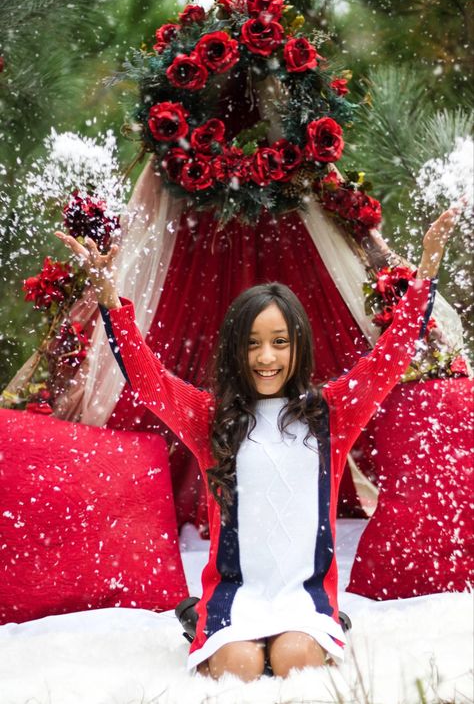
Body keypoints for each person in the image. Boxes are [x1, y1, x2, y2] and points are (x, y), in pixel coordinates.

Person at [55, 205, 459, 681]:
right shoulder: (210, 417)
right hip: (236, 594)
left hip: (303, 593)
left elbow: (390, 358)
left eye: (279, 342)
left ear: (298, 345)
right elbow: (149, 383)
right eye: (252, 344)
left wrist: (428, 265)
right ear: (235, 350)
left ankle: (328, 621)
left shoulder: (331, 412)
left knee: (295, 662)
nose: (266, 357)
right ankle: (201, 619)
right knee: (242, 668)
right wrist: (109, 297)